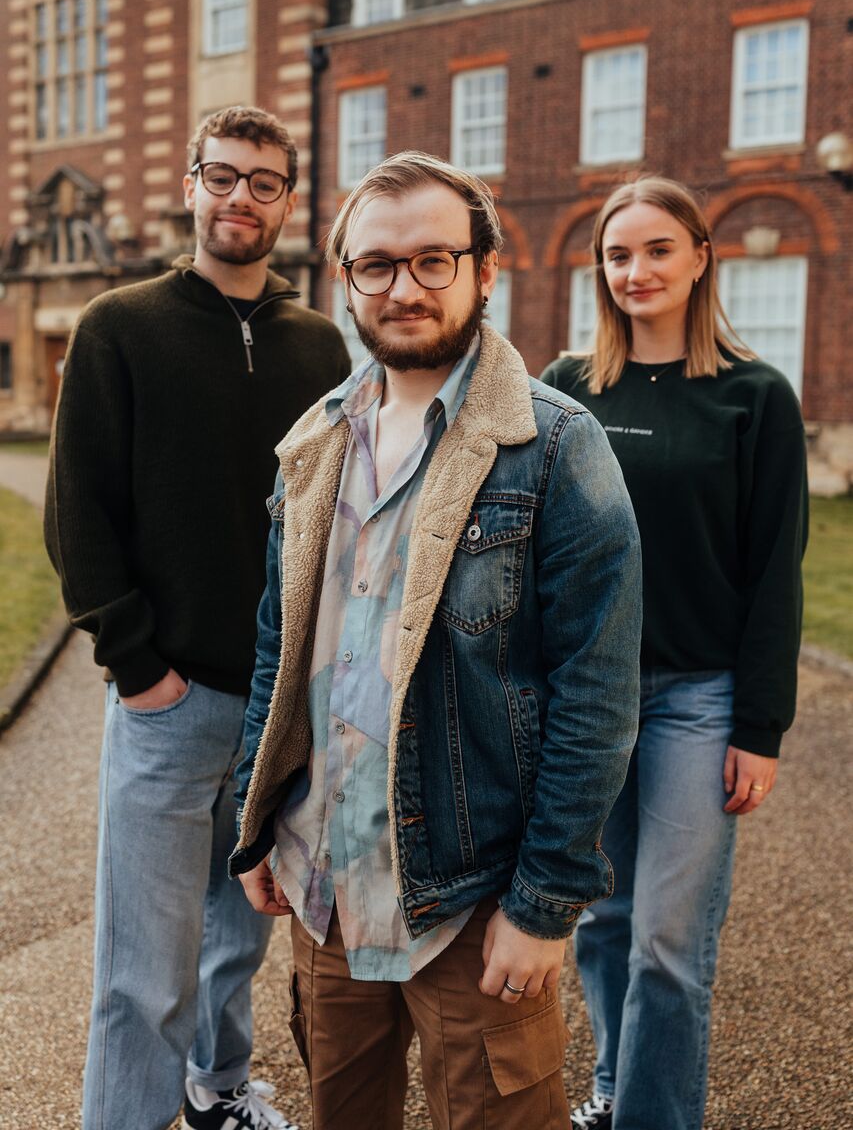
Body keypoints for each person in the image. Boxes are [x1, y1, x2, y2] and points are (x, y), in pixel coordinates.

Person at [229, 150, 643, 1130]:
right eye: (377, 264)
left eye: (432, 259)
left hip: (471, 899)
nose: (403, 287)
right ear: (346, 280)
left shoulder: (552, 444)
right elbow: (276, 650)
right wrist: (255, 819)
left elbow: (598, 692)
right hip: (326, 891)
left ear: (483, 270)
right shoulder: (315, 438)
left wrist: (545, 901)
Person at [44, 105, 351, 1130]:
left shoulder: (319, 346)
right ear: (190, 183)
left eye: (264, 182)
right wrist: (138, 667)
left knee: (238, 936)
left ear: (286, 200)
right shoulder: (118, 326)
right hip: (167, 700)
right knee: (144, 963)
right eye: (222, 175)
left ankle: (216, 1090)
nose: (240, 197)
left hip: (278, 706)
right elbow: (75, 509)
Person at [541, 177, 808, 1130]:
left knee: (667, 937)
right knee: (602, 921)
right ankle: (615, 1089)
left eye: (657, 249)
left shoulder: (753, 398)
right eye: (617, 254)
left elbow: (776, 568)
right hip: (586, 696)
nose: (635, 270)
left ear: (701, 256)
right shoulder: (568, 389)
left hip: (699, 697)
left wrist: (758, 725)